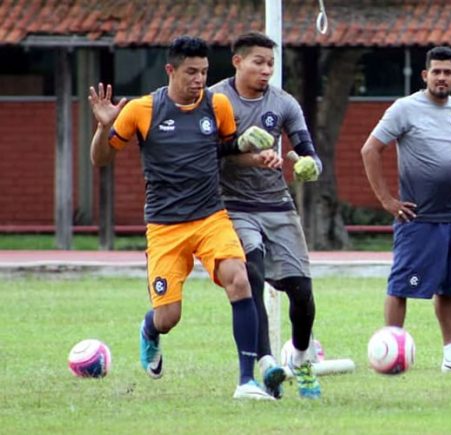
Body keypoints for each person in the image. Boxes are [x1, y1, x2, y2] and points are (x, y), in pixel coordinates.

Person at [88, 35, 275, 400]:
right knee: (168, 317)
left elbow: (227, 152)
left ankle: (246, 381)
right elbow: (100, 160)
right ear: (170, 70)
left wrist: (256, 155)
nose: (199, 80)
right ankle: (149, 329)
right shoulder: (142, 109)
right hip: (165, 227)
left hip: (211, 218)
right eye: (191, 72)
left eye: (204, 72)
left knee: (240, 280)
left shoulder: (217, 105)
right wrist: (102, 127)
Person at [209, 32, 322, 399]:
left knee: (302, 293)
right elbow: (204, 151)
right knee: (251, 273)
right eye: (258, 61)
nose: (266, 69)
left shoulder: (284, 103)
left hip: (277, 204)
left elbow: (308, 152)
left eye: (270, 63)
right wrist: (243, 149)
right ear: (237, 61)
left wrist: (308, 165)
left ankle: (302, 359)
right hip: (233, 206)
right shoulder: (215, 99)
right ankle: (267, 364)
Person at [361, 46, 451, 372]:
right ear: (425, 75)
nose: (441, 77)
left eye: (447, 72)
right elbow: (370, 150)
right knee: (401, 286)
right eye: (436, 71)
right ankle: (392, 349)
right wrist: (387, 200)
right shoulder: (405, 109)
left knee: (449, 288)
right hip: (418, 217)